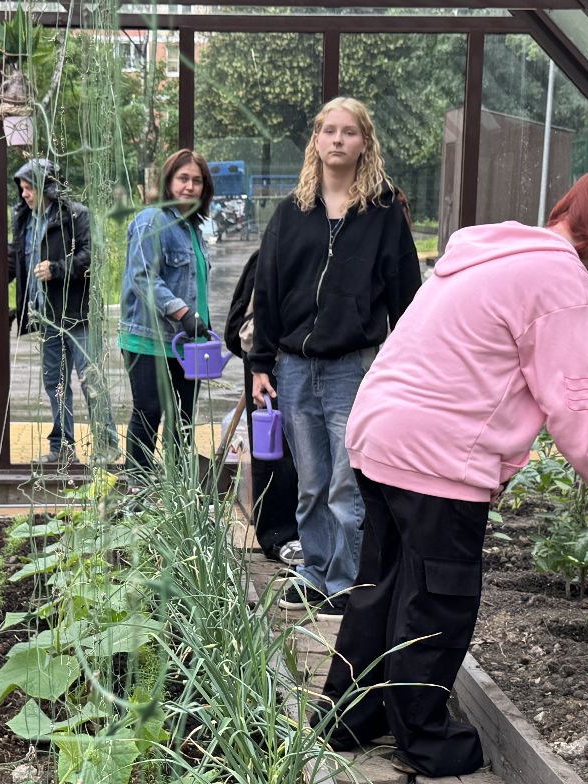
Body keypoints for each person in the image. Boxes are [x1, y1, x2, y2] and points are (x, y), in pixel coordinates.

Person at [320, 166, 588, 778]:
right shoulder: (562, 282)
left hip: (380, 432)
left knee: (385, 583)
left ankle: (348, 716)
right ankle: (423, 740)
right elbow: (573, 410)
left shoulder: (489, 255)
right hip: (437, 454)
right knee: (437, 600)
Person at [249, 98, 421, 621]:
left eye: (349, 132)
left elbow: (405, 293)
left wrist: (405, 366)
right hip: (296, 366)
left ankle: (346, 582)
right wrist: (260, 361)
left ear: (364, 142)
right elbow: (268, 287)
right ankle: (314, 575)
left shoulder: (384, 212)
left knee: (348, 484)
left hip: (354, 366)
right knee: (311, 481)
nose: (338, 140)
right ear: (317, 142)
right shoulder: (291, 211)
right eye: (329, 131)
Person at [7, 159, 116, 466]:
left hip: (79, 315)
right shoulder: (25, 219)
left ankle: (106, 446)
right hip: (48, 317)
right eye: (23, 189)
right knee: (54, 383)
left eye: (30, 188)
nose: (25, 195)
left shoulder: (77, 215)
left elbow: (92, 256)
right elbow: (18, 257)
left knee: (91, 380)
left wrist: (57, 270)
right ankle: (62, 448)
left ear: (48, 187)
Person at [117, 149, 214, 475]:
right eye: (183, 178)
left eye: (197, 181)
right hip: (148, 338)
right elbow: (142, 276)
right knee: (149, 413)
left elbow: (194, 282)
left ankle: (177, 492)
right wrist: (182, 312)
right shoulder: (152, 221)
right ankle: (136, 489)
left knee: (183, 419)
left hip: (188, 343)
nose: (190, 186)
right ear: (168, 181)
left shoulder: (192, 229)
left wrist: (202, 323)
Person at [224, 249, 299, 562]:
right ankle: (280, 535)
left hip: (322, 357)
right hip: (273, 357)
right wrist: (260, 365)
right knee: (276, 448)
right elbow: (243, 327)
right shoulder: (275, 250)